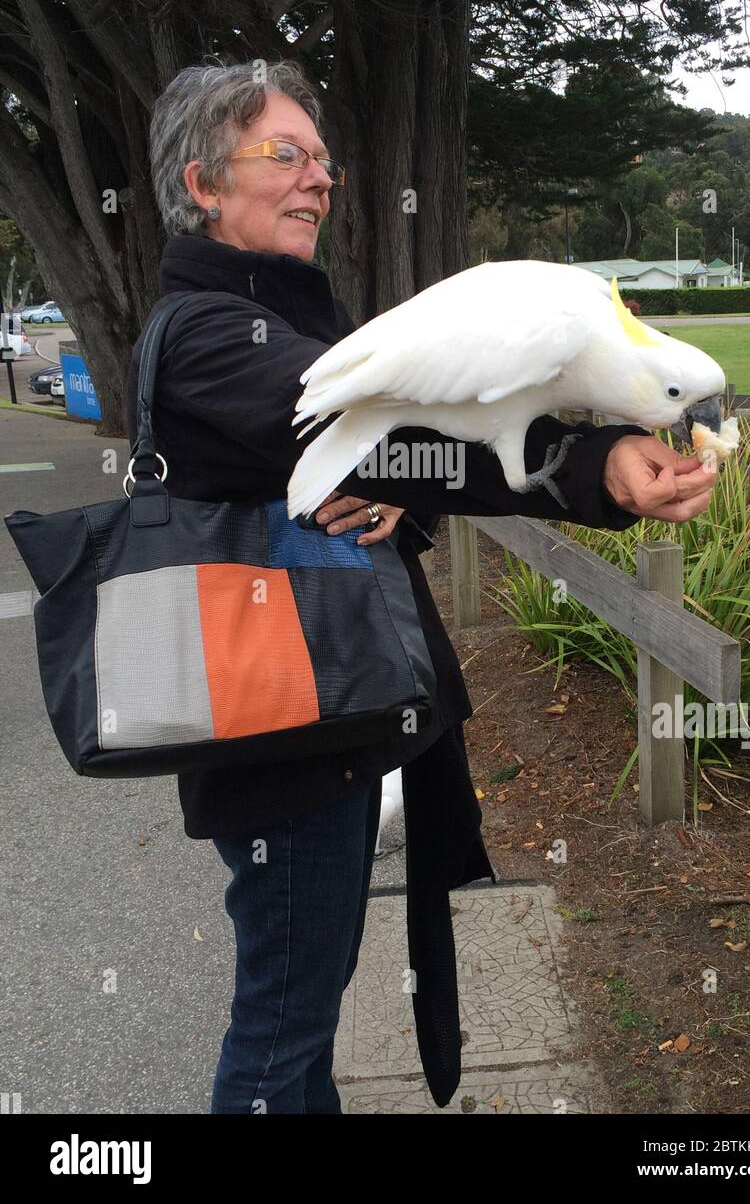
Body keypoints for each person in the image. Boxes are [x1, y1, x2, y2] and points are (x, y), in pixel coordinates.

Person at [126, 59, 718, 1114]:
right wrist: (582, 468)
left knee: (304, 1012)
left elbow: (413, 451)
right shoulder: (212, 336)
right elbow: (358, 440)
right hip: (279, 739)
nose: (318, 178)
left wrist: (598, 464)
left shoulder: (290, 314)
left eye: (324, 159)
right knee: (280, 1027)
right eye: (286, 154)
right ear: (204, 181)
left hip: (326, 716)